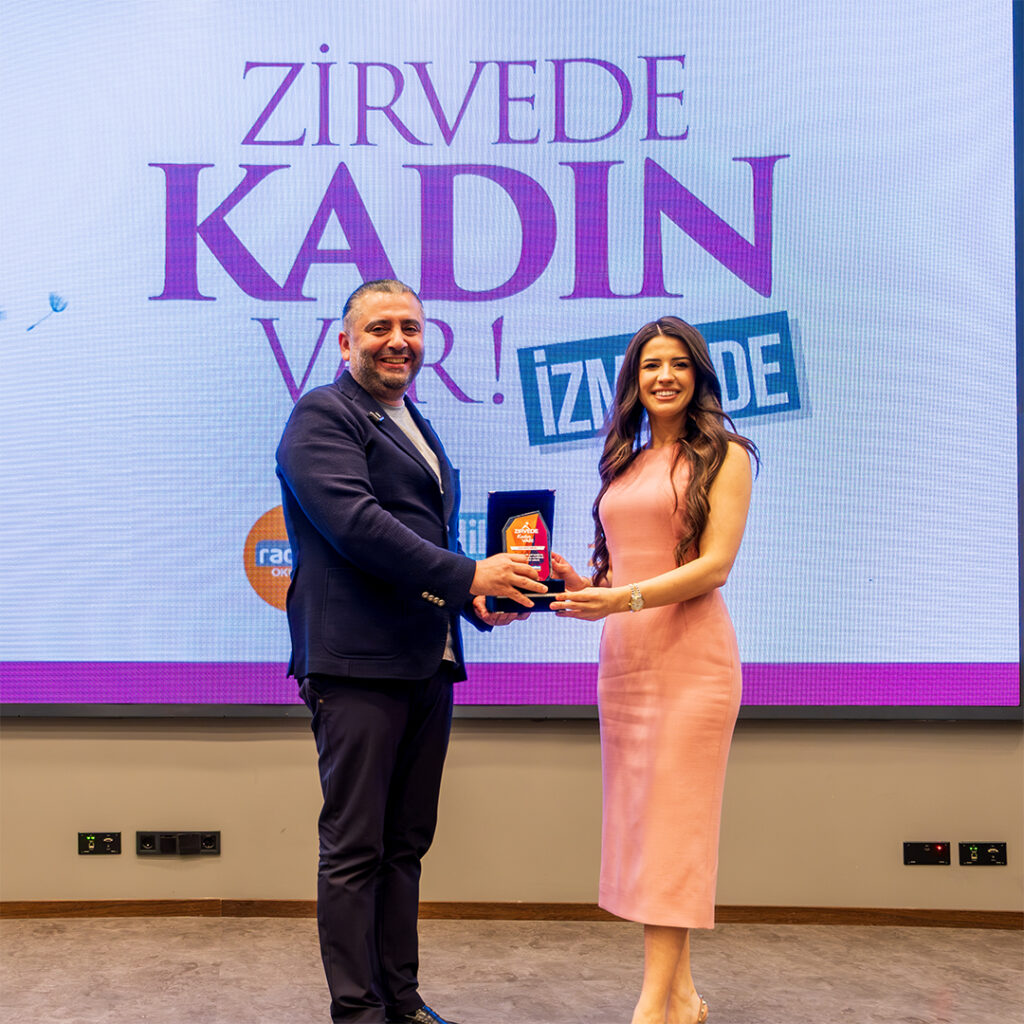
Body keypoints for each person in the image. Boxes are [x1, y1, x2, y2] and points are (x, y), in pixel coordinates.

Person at [276, 279, 544, 1024]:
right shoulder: (322, 414)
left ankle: (401, 1001)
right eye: (380, 327)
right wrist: (467, 575)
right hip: (356, 665)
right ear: (345, 342)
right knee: (355, 848)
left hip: (425, 661)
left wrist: (476, 600)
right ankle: (358, 1012)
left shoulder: (413, 422)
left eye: (412, 328)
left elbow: (421, 537)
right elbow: (358, 526)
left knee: (404, 846)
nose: (399, 340)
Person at [550, 316, 758, 1024]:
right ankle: (684, 999)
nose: (664, 376)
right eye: (650, 366)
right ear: (633, 381)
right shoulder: (625, 461)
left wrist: (623, 599)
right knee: (649, 833)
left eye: (678, 364)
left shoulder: (727, 455)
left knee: (674, 835)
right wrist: (585, 588)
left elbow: (714, 566)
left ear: (699, 374)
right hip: (626, 665)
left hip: (693, 663)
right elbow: (626, 569)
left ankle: (649, 1011)